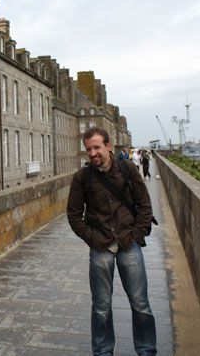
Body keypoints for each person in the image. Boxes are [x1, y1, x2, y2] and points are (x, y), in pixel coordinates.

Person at [67, 127, 157, 356]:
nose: (92, 153)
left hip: (129, 243)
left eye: (96, 147)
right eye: (88, 149)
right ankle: (103, 352)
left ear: (109, 146)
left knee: (140, 303)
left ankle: (146, 351)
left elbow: (145, 205)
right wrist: (94, 239)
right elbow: (74, 216)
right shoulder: (82, 178)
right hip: (101, 247)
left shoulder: (127, 169)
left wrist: (137, 235)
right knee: (101, 307)